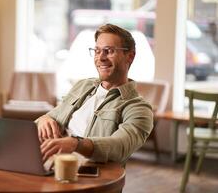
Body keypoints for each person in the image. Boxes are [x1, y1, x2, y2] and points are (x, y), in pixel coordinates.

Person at [37, 23, 153, 164]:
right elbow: (52, 116)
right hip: (48, 162)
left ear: (130, 56)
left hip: (86, 175)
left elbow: (119, 146)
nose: (101, 58)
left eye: (109, 51)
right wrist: (44, 119)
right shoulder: (82, 86)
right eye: (97, 51)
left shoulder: (139, 109)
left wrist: (76, 143)